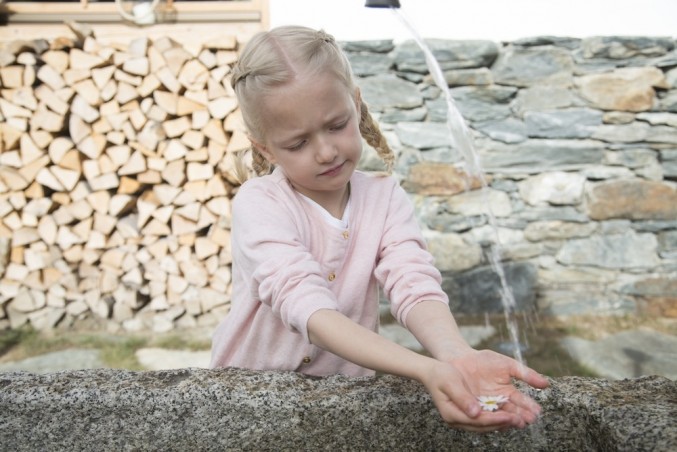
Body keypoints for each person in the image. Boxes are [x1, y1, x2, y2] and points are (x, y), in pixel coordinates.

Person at [210, 25, 549, 432]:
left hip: (343, 401)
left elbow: (413, 283)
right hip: (246, 405)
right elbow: (308, 308)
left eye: (336, 125)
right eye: (298, 144)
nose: (326, 151)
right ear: (265, 148)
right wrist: (424, 369)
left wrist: (456, 356)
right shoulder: (260, 203)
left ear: (355, 104)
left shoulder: (384, 197)